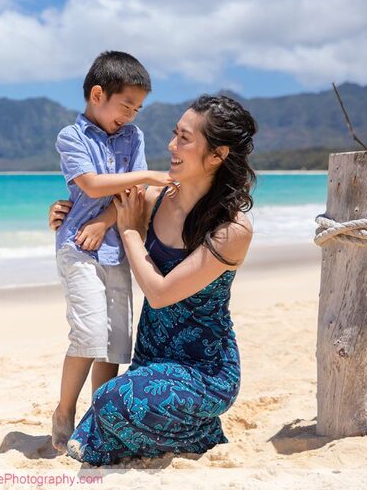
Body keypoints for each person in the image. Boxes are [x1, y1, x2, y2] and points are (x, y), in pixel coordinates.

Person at [48, 94, 256, 466]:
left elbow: (160, 294)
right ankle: (180, 430)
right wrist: (61, 213)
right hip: (151, 361)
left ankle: (200, 430)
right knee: (113, 397)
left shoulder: (231, 229)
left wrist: (130, 233)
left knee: (111, 400)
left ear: (217, 155)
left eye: (185, 139)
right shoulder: (155, 197)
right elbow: (96, 208)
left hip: (203, 370)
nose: (171, 146)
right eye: (174, 135)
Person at [51, 50, 177, 453]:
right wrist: (149, 174)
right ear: (97, 94)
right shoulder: (71, 137)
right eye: (127, 105)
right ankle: (64, 410)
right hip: (79, 249)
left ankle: (98, 419)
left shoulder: (133, 137)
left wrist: (105, 222)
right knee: (88, 335)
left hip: (119, 246)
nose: (132, 115)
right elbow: (90, 184)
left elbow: (131, 193)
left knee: (116, 342)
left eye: (139, 108)